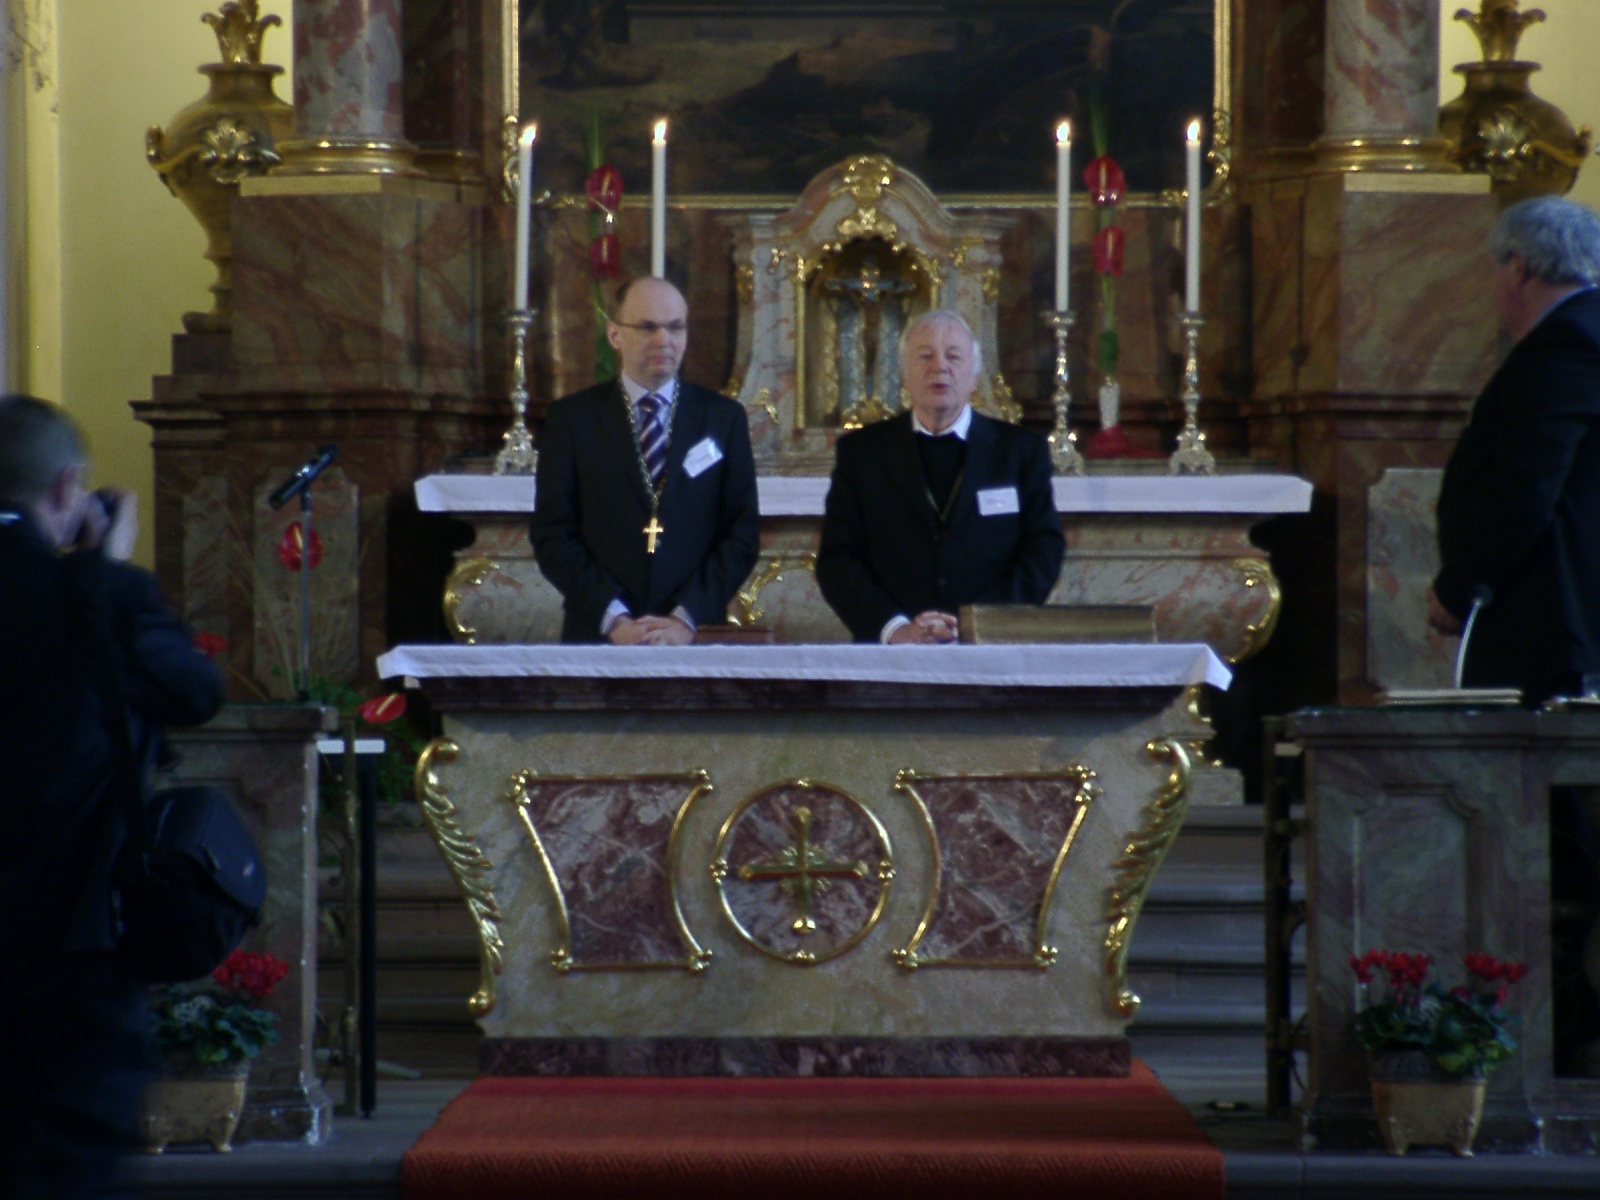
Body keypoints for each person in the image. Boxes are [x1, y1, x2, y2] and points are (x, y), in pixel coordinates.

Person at [0, 396, 224, 1199]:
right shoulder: (97, 595)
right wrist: (107, 566)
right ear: (70, 487)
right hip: (70, 937)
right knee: (64, 1160)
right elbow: (196, 692)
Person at [1428, 196, 1600, 702]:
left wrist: (1463, 584)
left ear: (1518, 269)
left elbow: (1527, 484)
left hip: (1555, 622)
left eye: (1493, 270)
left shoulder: (1566, 342)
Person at [532, 277, 760, 644]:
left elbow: (741, 534)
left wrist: (686, 618)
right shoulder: (573, 419)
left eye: (675, 327)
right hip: (599, 635)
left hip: (693, 635)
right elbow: (553, 535)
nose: (663, 340)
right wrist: (614, 619)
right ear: (614, 334)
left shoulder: (722, 418)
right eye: (648, 327)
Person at [817, 309, 1065, 643]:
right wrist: (895, 628)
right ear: (904, 375)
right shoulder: (862, 453)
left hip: (990, 648)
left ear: (973, 377)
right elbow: (838, 559)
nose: (940, 367)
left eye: (953, 356)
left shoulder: (1019, 451)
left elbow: (1042, 551)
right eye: (925, 356)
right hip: (893, 651)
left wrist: (976, 624)